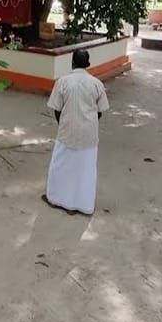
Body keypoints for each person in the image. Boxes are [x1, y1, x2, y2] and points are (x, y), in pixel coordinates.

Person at [43, 49, 110, 215]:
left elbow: (56, 108)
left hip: (67, 131)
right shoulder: (97, 84)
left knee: (60, 166)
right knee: (85, 169)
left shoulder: (63, 82)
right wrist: (87, 123)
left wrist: (64, 123)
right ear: (88, 64)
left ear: (72, 62)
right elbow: (100, 111)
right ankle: (83, 205)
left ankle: (56, 199)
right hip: (89, 135)